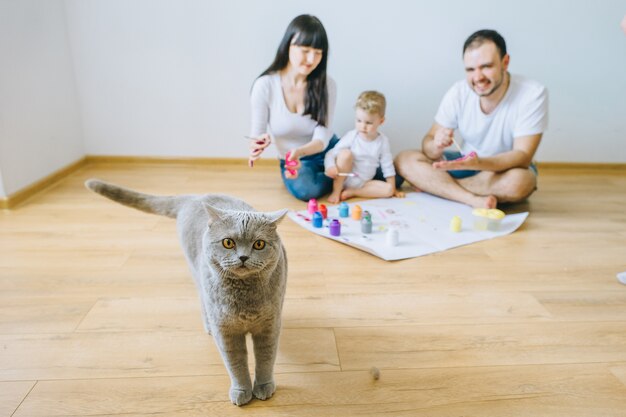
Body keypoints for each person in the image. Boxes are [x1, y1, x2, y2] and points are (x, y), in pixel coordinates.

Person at [395, 29, 548, 208]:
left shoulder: (532, 93)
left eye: (486, 67)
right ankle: (471, 198)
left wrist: (479, 164)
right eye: (470, 69)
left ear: (505, 62)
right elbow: (428, 144)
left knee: (520, 181)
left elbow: (522, 156)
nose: (478, 77)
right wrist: (435, 146)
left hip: (504, 169)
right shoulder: (458, 92)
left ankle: (438, 188)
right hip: (465, 163)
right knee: (404, 159)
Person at [248, 14, 338, 201]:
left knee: (379, 169)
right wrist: (258, 143)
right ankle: (345, 179)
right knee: (306, 190)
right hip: (295, 161)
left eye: (318, 53)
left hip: (328, 149)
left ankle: (344, 175)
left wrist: (301, 150)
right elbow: (257, 134)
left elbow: (322, 139)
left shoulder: (327, 84)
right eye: (305, 50)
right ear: (288, 45)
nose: (312, 58)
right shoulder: (265, 85)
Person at [324, 91, 404, 203]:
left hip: (364, 183)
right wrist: (330, 167)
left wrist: (393, 190)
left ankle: (353, 192)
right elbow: (331, 153)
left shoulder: (383, 141)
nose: (362, 126)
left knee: (388, 190)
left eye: (369, 123)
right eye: (358, 121)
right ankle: (336, 191)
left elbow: (387, 166)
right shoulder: (352, 136)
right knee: (345, 154)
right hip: (345, 178)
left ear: (381, 121)